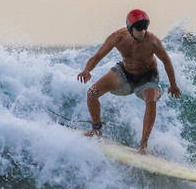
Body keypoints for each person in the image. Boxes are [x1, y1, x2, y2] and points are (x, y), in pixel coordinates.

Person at [77, 9, 181, 154]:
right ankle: (96, 131)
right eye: (139, 28)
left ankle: (143, 146)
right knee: (92, 93)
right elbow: (97, 56)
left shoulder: (153, 41)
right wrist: (87, 70)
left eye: (145, 27)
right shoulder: (118, 37)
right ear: (129, 28)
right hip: (125, 73)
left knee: (151, 99)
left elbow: (167, 62)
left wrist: (173, 85)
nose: (142, 31)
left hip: (148, 77)